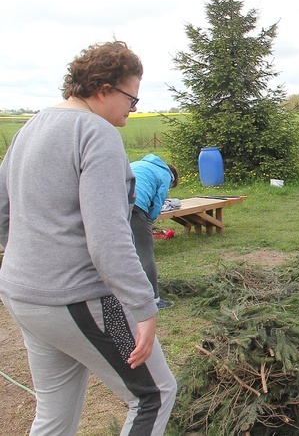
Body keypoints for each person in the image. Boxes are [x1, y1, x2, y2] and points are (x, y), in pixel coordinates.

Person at [0, 41, 177, 435]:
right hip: (87, 301)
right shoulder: (96, 132)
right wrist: (143, 307)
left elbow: (3, 210)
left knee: (54, 410)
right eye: (131, 100)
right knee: (155, 395)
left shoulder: (31, 126)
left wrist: (28, 261)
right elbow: (108, 238)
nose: (132, 112)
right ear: (103, 89)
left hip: (22, 295)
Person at [130, 154, 179, 310]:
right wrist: (148, 222)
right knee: (145, 251)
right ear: (173, 179)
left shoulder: (140, 164)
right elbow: (157, 204)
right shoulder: (165, 175)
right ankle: (154, 300)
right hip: (135, 205)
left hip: (111, 202)